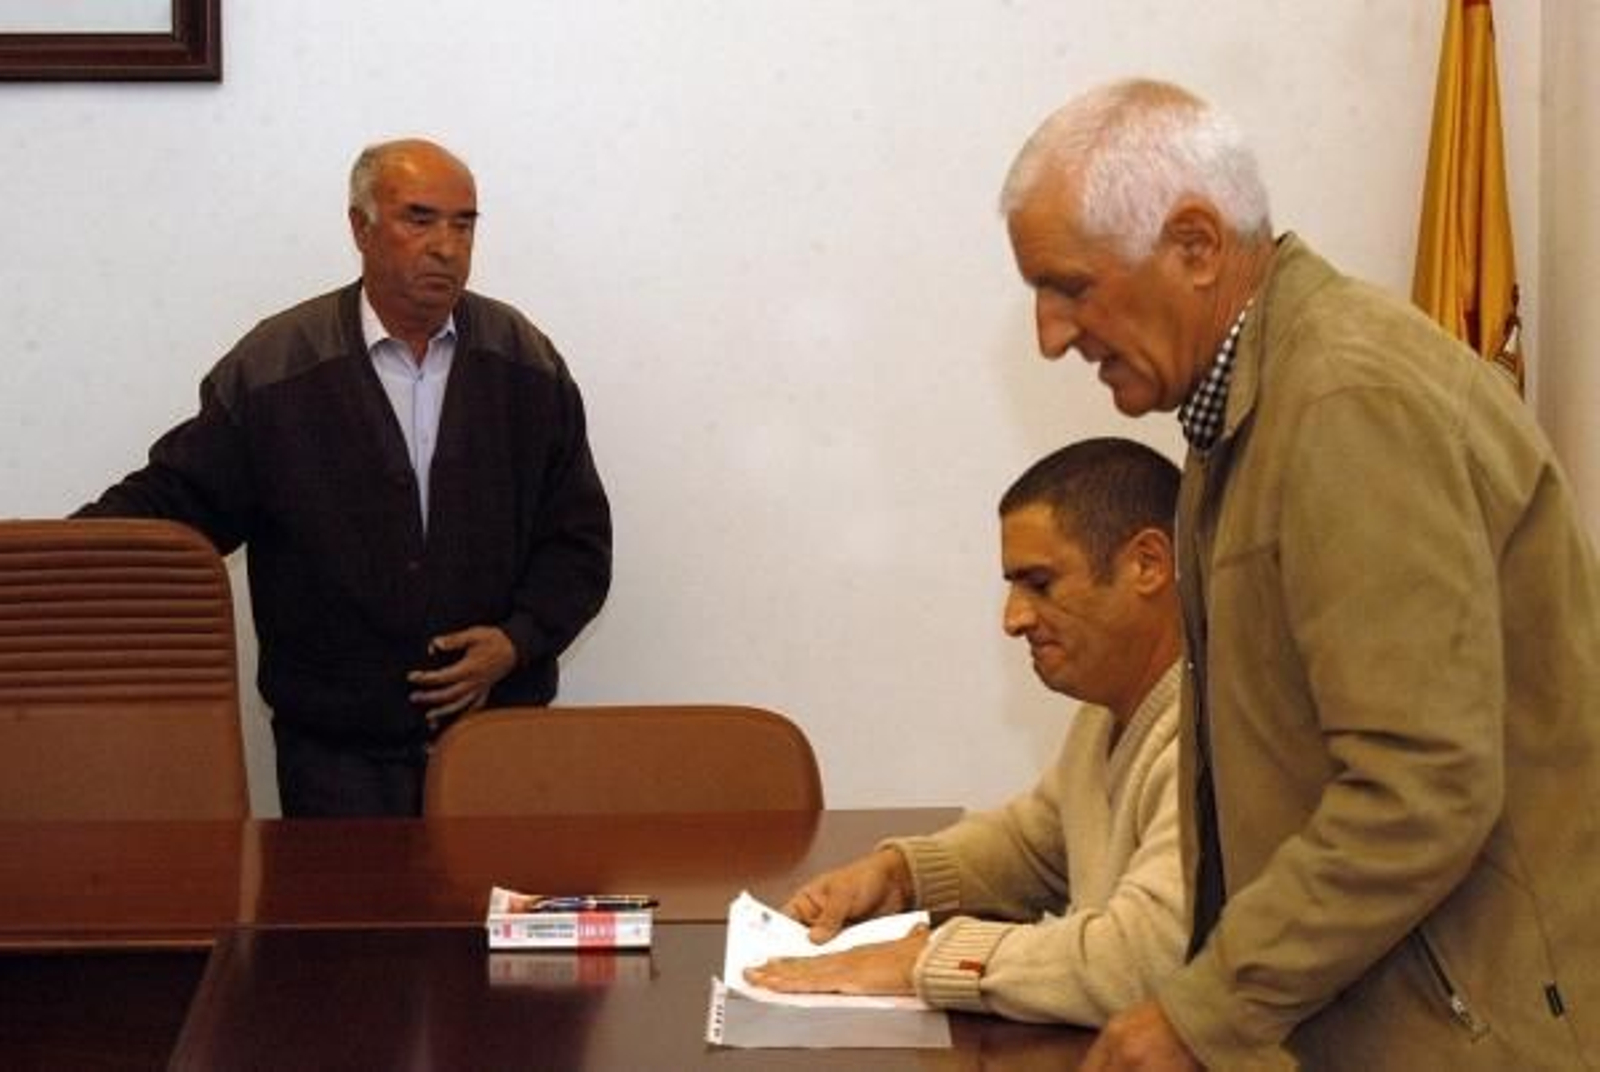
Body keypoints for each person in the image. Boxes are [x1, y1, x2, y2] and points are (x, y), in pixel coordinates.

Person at [1001, 79, 1600, 1070]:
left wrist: (1203, 1008)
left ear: (1195, 246)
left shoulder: (1344, 406)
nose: (1052, 335)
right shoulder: (1243, 411)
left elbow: (1422, 788)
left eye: (1068, 286)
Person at [78, 138, 612, 818]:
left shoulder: (525, 364)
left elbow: (578, 542)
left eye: (464, 222)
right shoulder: (279, 368)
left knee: (486, 923)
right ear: (360, 227)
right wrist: (46, 565)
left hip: (497, 743)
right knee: (348, 926)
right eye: (419, 219)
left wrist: (519, 640)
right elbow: (178, 500)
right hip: (335, 756)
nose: (446, 245)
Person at [746, 437, 1187, 1026]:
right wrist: (901, 875)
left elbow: (1139, 962)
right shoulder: (1104, 715)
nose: (1014, 619)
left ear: (1147, 564)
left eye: (1040, 584)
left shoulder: (1214, 739)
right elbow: (1034, 847)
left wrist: (926, 960)